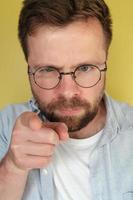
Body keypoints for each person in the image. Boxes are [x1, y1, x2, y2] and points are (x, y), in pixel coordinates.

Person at [0, 0, 133, 199]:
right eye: (48, 70)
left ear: (106, 60)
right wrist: (13, 166)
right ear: (28, 66)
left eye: (85, 68)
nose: (68, 92)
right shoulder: (5, 124)